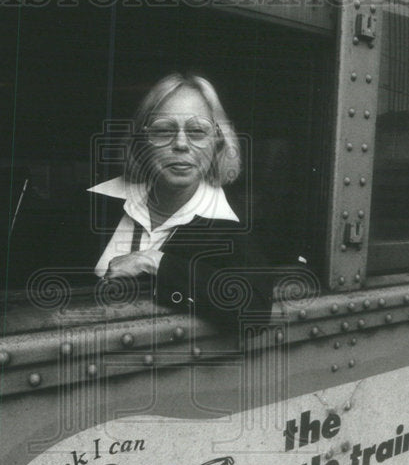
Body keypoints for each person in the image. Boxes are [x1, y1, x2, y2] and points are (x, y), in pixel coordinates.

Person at [88, 73, 274, 327]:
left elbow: (254, 308)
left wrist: (154, 262)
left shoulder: (235, 226)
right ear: (143, 141)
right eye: (164, 131)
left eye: (197, 131)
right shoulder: (95, 202)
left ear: (218, 142)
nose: (181, 144)